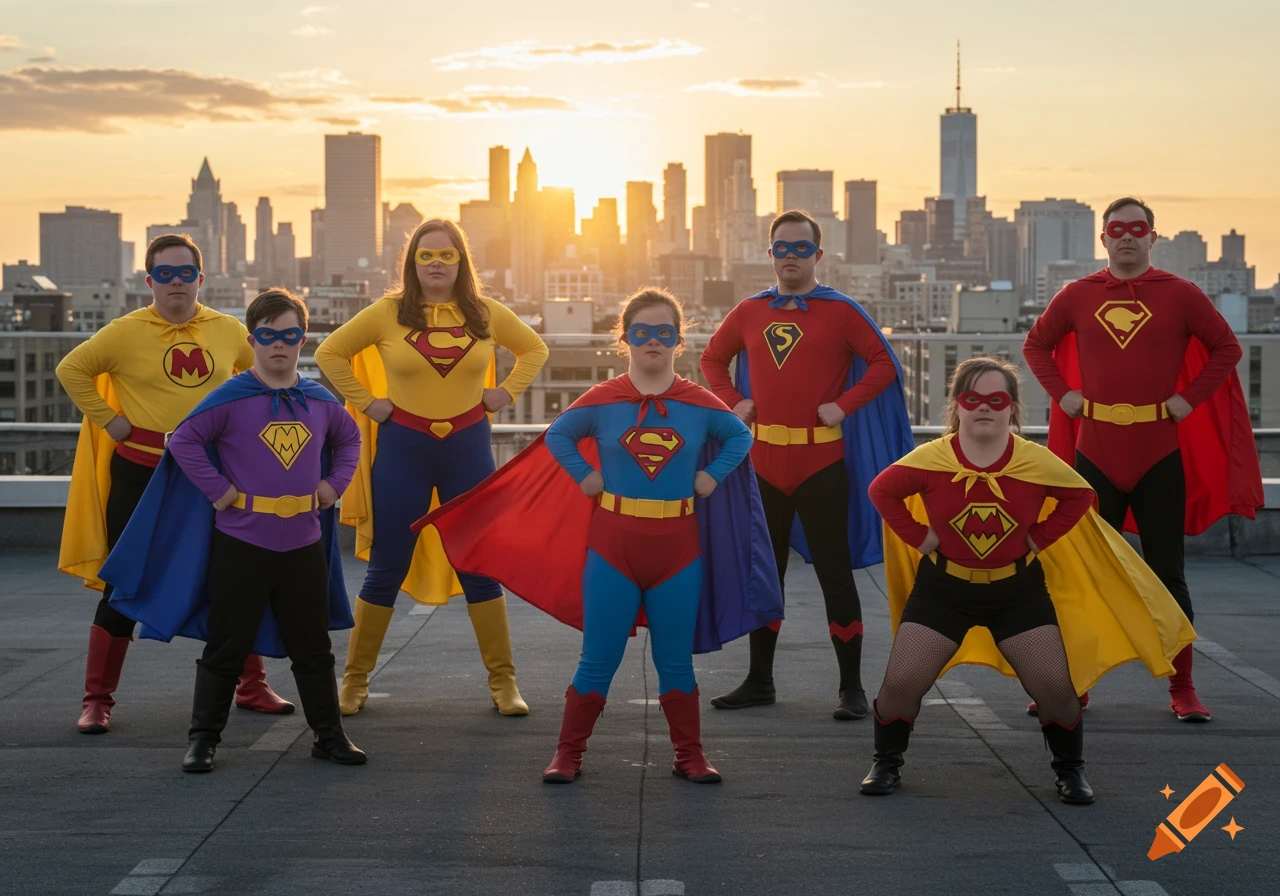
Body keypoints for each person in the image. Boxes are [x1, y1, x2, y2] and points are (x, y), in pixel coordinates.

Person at [414, 288, 784, 784]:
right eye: (642, 332)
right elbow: (560, 433)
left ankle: (689, 755)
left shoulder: (698, 403)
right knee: (598, 659)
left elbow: (740, 434)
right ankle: (568, 753)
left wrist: (713, 475)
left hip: (678, 549)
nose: (653, 341)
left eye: (664, 332)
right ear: (625, 339)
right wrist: (584, 477)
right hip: (612, 547)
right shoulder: (604, 399)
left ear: (679, 340)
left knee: (675, 662)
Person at [864, 356, 1196, 803]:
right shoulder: (932, 458)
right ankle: (886, 764)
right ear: (957, 405)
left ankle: (1071, 771)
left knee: (1057, 689)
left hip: (1017, 593)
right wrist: (919, 537)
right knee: (901, 683)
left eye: (996, 399)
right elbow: (881, 490)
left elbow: (1080, 495)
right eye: (972, 397)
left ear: (1012, 408)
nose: (984, 407)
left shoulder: (1034, 461)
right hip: (942, 591)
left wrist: (1039, 539)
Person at [101, 290, 364, 772]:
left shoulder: (319, 400)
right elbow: (183, 439)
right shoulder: (231, 396)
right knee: (226, 644)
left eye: (289, 335)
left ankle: (329, 736)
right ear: (253, 340)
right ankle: (203, 740)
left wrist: (333, 485)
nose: (279, 344)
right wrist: (218, 490)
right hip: (242, 542)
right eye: (268, 335)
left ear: (303, 339)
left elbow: (350, 438)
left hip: (303, 541)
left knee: (312, 647)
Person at [1022, 197, 1262, 722]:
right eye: (1116, 229)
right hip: (1095, 450)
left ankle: (1183, 688)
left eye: (1137, 228)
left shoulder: (1180, 294)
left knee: (1167, 573)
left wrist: (1187, 399)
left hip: (1159, 450)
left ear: (1153, 236)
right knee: (1083, 573)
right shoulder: (1076, 295)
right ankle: (1072, 685)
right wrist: (1063, 394)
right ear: (1103, 238)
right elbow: (1036, 345)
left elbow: (1226, 347)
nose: (1126, 236)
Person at [56, 233, 293, 734]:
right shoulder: (124, 332)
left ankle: (250, 685)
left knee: (239, 578)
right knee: (122, 581)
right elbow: (72, 369)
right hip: (141, 472)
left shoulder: (230, 331)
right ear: (149, 281)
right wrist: (110, 421)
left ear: (200, 279)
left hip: (214, 476)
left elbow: (259, 388)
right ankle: (97, 699)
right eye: (165, 274)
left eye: (186, 273)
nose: (176, 283)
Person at [315, 219, 549, 717]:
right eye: (426, 256)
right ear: (412, 262)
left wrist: (504, 393)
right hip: (404, 447)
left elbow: (535, 348)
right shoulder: (386, 313)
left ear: (462, 262)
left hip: (468, 447)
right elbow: (329, 352)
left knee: (480, 566)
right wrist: (367, 402)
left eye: (447, 255)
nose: (437, 263)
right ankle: (354, 680)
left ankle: (504, 683)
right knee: (385, 568)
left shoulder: (483, 313)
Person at [700, 210, 913, 720]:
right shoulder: (749, 311)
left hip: (822, 461)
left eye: (801, 248)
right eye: (781, 248)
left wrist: (844, 405)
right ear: (769, 253)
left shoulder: (842, 311)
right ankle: (759, 681)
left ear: (819, 255)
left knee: (835, 577)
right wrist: (732, 400)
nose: (790, 256)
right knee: (763, 574)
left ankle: (852, 689)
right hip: (763, 463)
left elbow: (886, 363)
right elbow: (711, 359)